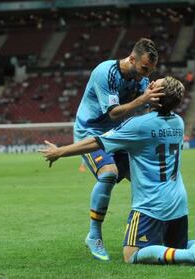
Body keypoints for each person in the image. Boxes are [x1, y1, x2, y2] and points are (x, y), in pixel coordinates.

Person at [40, 77, 195, 267]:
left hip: (151, 206)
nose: (149, 85)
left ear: (156, 98)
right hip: (178, 203)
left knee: (132, 254)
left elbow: (97, 142)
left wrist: (60, 151)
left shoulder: (139, 126)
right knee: (173, 247)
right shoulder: (178, 122)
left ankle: (193, 256)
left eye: (154, 85)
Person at [72, 38, 163, 260]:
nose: (145, 75)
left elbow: (147, 106)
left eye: (149, 71)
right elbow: (113, 112)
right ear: (131, 59)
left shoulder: (141, 79)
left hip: (118, 134)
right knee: (109, 173)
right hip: (91, 132)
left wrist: (159, 98)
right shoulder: (106, 72)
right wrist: (143, 99)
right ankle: (94, 236)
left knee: (146, 177)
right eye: (143, 69)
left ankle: (153, 234)